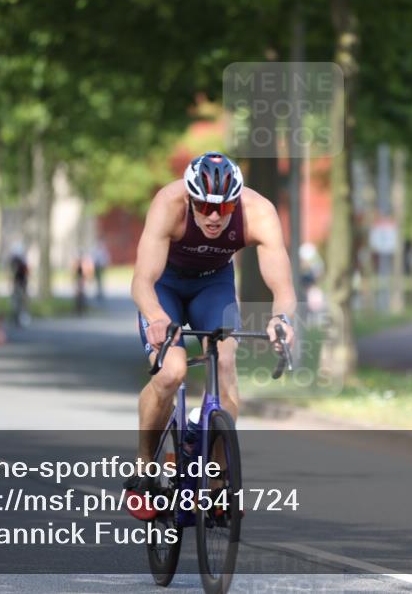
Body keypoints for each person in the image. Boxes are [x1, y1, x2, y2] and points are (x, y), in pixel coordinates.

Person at [127, 152, 297, 501]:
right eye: (204, 207)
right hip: (165, 287)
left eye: (225, 208)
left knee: (224, 364)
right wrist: (157, 319)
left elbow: (283, 290)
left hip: (213, 285)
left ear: (236, 201)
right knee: (172, 372)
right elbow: (142, 282)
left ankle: (218, 482)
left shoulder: (259, 212)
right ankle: (145, 463)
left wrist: (282, 321)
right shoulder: (168, 204)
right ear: (190, 199)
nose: (215, 216)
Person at [10, 249, 30, 326]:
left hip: (21, 286)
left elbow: (25, 276)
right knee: (17, 302)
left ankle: (21, 317)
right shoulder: (16, 264)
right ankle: (17, 317)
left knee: (21, 302)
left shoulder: (22, 265)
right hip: (18, 286)